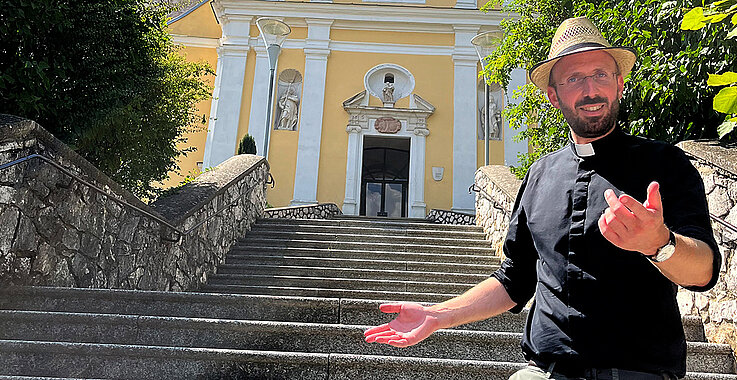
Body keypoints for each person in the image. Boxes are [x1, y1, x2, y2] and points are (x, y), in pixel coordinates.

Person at [364, 17, 721, 380]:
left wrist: (659, 244)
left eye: (600, 74)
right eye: (574, 79)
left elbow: (703, 272)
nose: (591, 89)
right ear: (553, 95)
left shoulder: (665, 163)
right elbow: (514, 279)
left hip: (638, 371)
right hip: (545, 371)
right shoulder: (539, 174)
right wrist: (440, 315)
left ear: (619, 83)